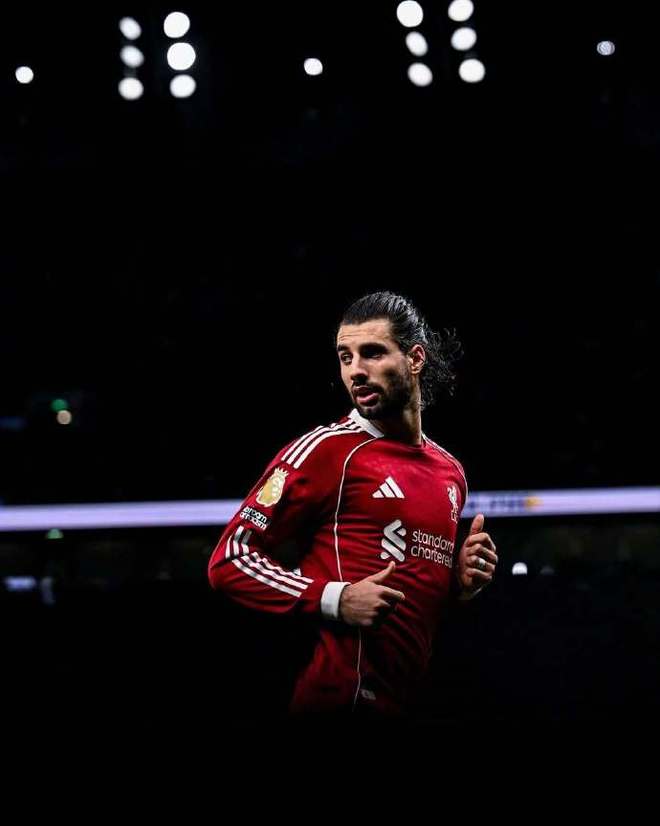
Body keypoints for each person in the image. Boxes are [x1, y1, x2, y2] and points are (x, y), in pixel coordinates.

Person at [208, 291, 498, 716]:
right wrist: (335, 598)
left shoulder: (450, 472)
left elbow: (413, 604)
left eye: (373, 353)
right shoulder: (327, 451)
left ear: (415, 358)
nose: (356, 371)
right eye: (346, 357)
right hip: (337, 700)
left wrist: (459, 584)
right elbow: (229, 560)